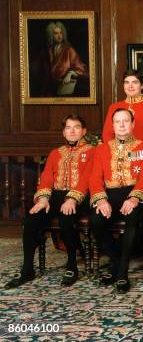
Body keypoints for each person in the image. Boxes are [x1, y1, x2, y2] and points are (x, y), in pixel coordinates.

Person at [5, 115, 96, 289]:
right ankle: (27, 269)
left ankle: (72, 266)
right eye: (68, 127)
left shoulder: (93, 151)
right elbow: (46, 177)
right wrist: (43, 198)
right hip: (55, 195)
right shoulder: (56, 153)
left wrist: (72, 199)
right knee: (31, 220)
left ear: (84, 131)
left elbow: (87, 178)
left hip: (82, 197)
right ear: (63, 132)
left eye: (76, 127)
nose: (72, 131)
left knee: (66, 219)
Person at [90, 108, 143, 293]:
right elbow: (94, 178)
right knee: (96, 221)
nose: (122, 125)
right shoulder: (102, 148)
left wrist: (134, 198)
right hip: (109, 194)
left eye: (126, 121)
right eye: (118, 122)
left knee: (133, 218)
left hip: (134, 192)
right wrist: (101, 201)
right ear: (113, 125)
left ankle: (122, 271)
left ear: (133, 124)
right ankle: (116, 259)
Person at [102, 69, 143, 148]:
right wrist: (117, 149)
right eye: (126, 82)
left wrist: (138, 149)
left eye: (135, 82)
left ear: (142, 85)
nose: (130, 86)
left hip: (142, 153)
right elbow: (107, 134)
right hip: (118, 153)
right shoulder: (114, 107)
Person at [45, 21, 88, 96]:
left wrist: (70, 73)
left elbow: (82, 68)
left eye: (61, 33)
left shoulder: (69, 50)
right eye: (56, 33)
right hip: (51, 88)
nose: (59, 36)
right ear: (51, 35)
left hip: (65, 88)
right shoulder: (49, 51)